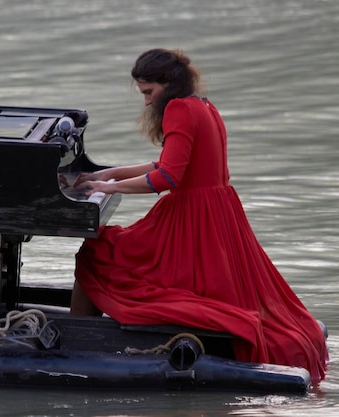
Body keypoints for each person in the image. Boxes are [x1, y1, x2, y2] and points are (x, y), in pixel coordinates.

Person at [70, 48, 328, 382]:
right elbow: (167, 164)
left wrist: (113, 188)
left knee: (98, 251)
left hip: (192, 223)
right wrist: (109, 175)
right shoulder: (203, 106)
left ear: (168, 83)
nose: (147, 102)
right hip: (218, 216)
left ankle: (78, 347)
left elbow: (166, 178)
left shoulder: (177, 109)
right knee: (110, 250)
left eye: (149, 92)